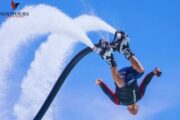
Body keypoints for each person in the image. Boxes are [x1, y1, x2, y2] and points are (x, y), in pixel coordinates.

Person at [93, 31, 162, 115]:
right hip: (131, 74)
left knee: (121, 84)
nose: (136, 109)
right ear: (136, 106)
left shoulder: (118, 102)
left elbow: (108, 93)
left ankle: (109, 58)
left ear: (129, 110)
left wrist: (101, 84)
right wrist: (153, 73)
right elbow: (145, 82)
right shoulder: (139, 96)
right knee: (141, 71)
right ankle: (125, 49)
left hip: (120, 77)